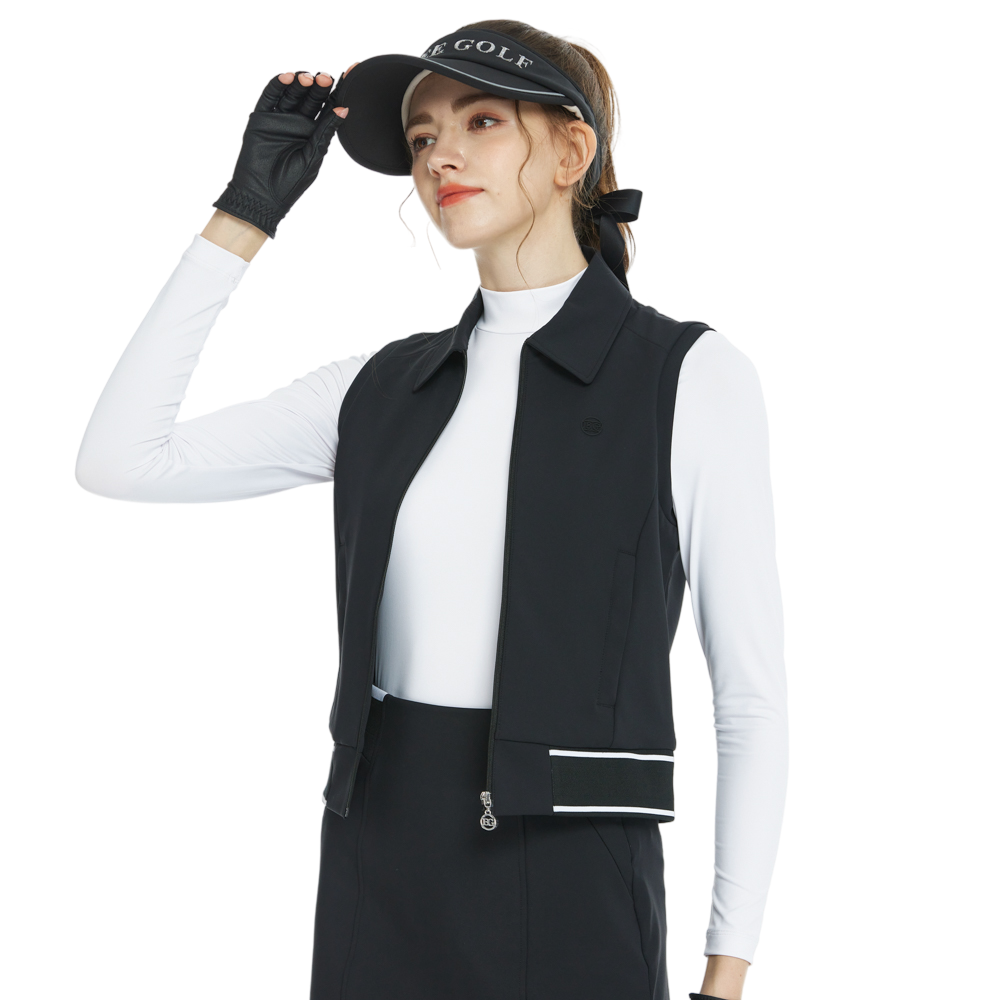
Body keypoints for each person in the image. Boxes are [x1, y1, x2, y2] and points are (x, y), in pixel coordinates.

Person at [74, 19, 788, 1000]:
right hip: (376, 867)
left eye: (481, 121)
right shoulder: (377, 385)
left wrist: (725, 972)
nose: (440, 155)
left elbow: (748, 698)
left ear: (572, 152)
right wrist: (243, 216)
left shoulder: (690, 376)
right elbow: (118, 463)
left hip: (572, 882)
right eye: (421, 138)